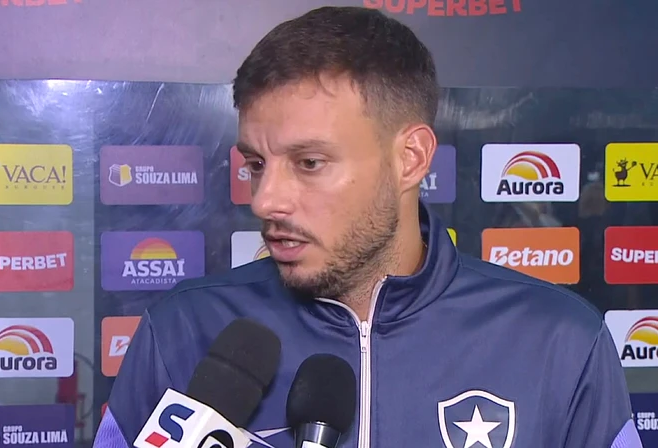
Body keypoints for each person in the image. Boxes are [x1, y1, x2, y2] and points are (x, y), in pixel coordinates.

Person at [95, 6, 641, 448]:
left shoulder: (561, 344)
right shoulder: (180, 331)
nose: (266, 199)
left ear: (410, 159)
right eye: (255, 164)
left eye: (309, 163)